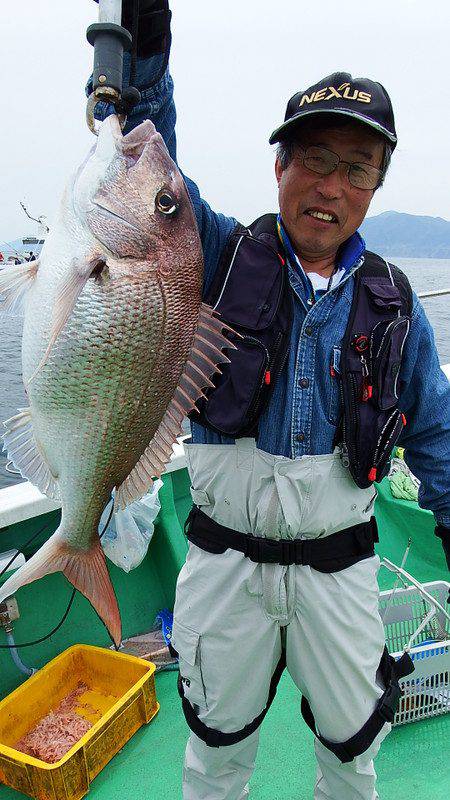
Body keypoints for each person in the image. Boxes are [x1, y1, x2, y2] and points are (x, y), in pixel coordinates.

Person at [90, 3, 450, 798]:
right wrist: (144, 47)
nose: (332, 187)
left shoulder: (396, 305)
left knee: (354, 754)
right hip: (224, 568)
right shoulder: (214, 253)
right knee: (215, 753)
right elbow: (151, 160)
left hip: (342, 573)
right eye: (315, 160)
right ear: (278, 168)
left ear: (377, 186)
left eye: (358, 169)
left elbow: (439, 437)